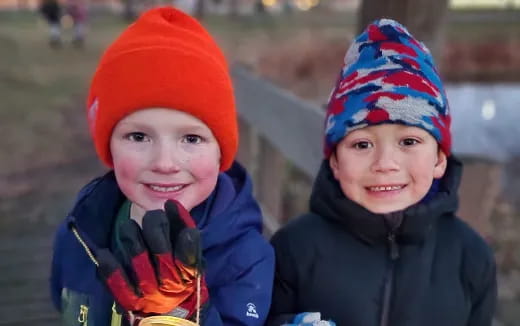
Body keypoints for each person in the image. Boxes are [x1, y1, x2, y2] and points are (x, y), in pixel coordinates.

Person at [50, 6, 274, 326]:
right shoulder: (80, 231)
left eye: (191, 139)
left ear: (220, 152)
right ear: (108, 146)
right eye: (138, 136)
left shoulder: (245, 257)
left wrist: (180, 315)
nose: (165, 163)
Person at [267, 19, 497, 326]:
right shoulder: (293, 250)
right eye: (362, 144)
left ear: (440, 159)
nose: (385, 163)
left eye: (409, 141)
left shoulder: (470, 258)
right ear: (334, 161)